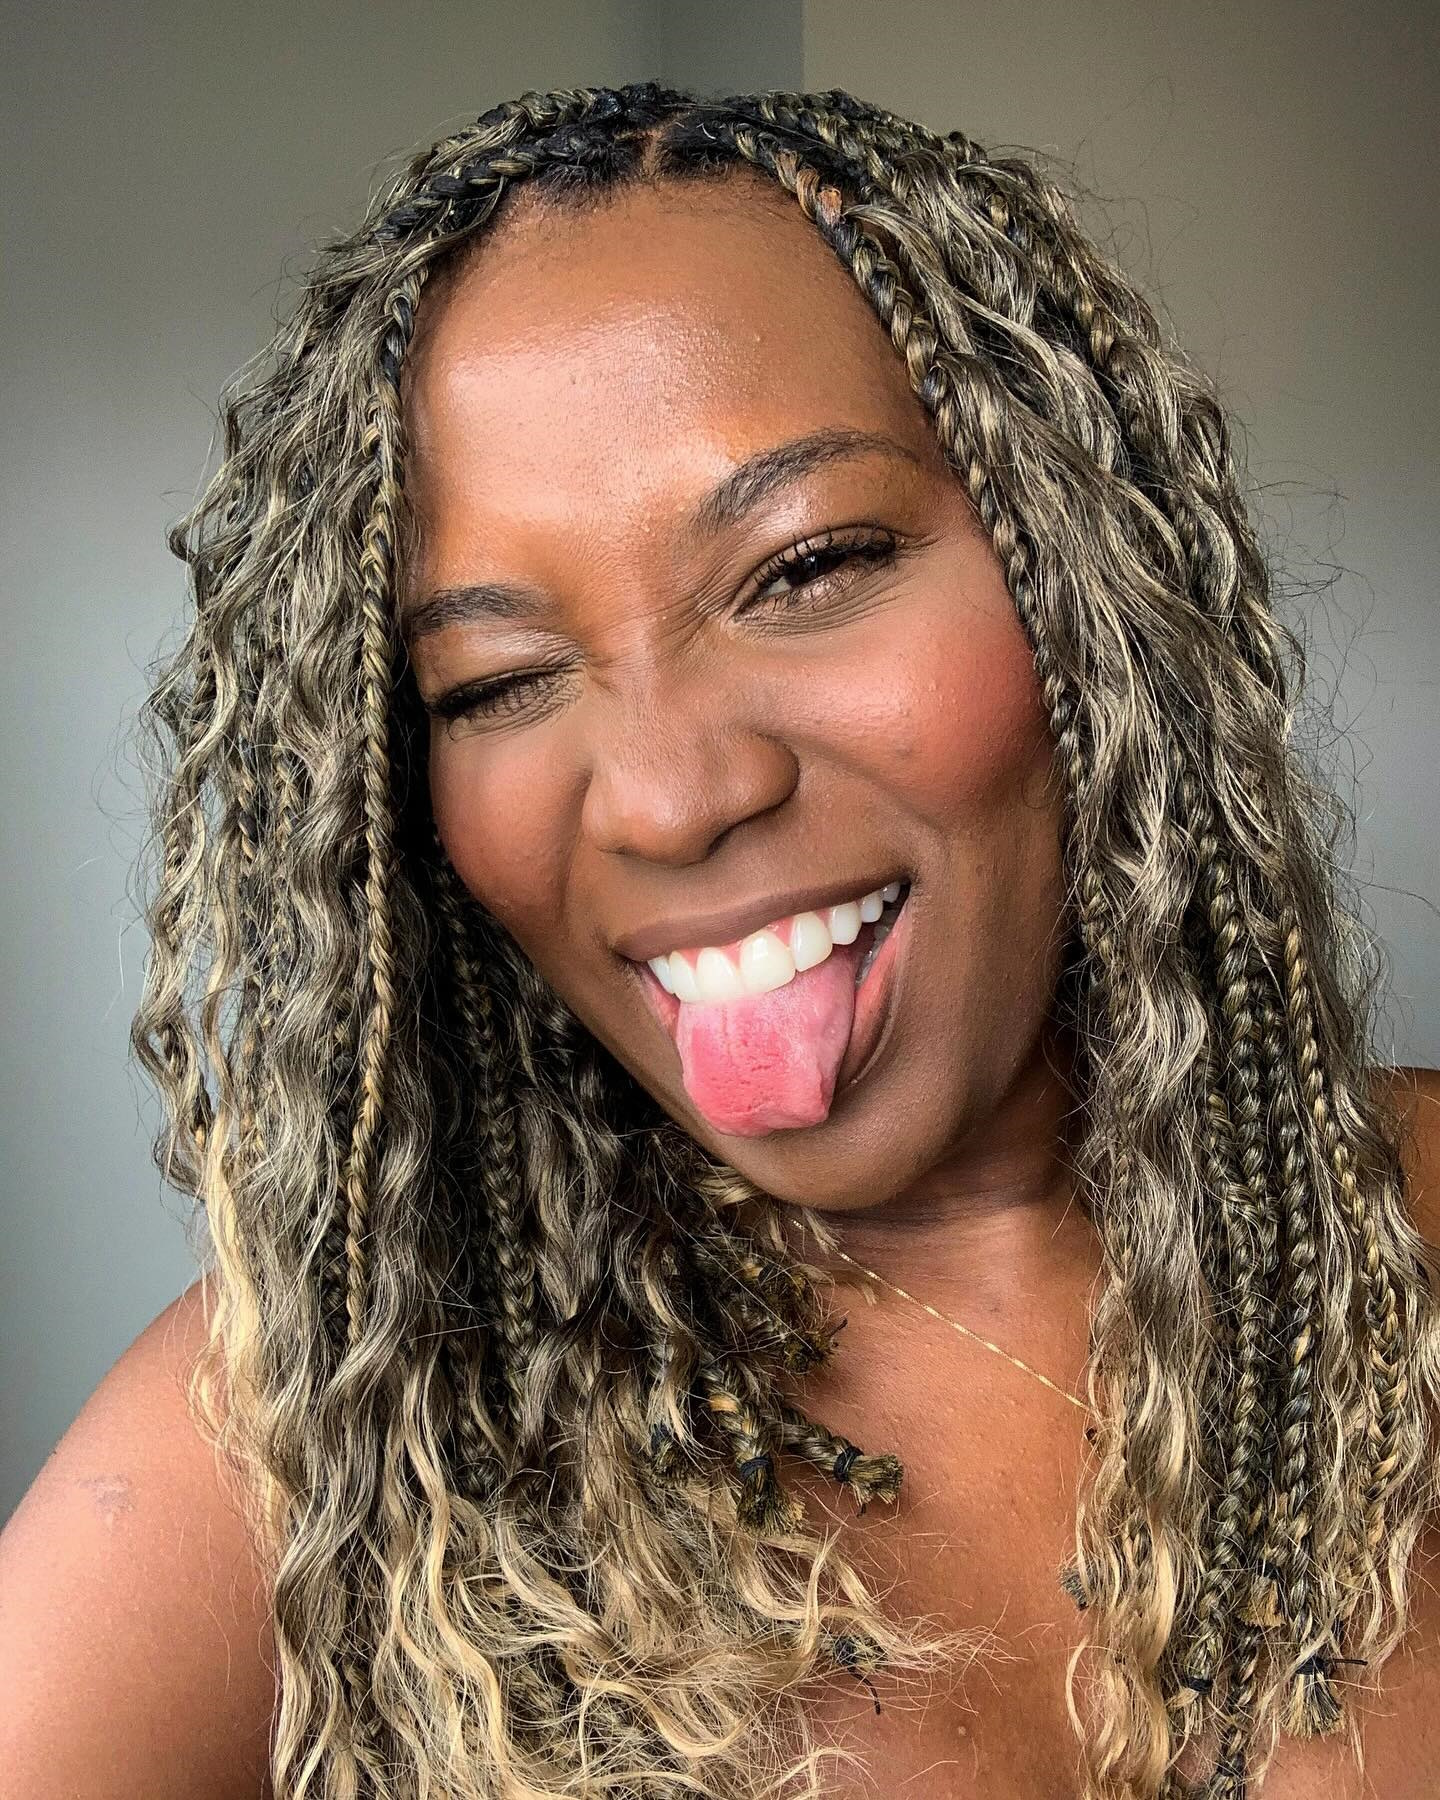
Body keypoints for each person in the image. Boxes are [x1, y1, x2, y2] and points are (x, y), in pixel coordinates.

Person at [2, 80, 1437, 1800]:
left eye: (806, 567)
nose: (671, 799)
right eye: (498, 683)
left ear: (1086, 583)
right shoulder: (335, 1425)